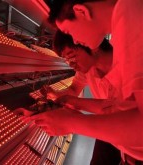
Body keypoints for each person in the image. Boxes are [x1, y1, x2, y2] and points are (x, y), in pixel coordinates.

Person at [24, 0, 143, 164]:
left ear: (81, 11)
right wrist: (72, 104)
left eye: (69, 31)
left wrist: (72, 122)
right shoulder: (125, 26)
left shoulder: (131, 12)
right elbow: (118, 107)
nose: (76, 39)